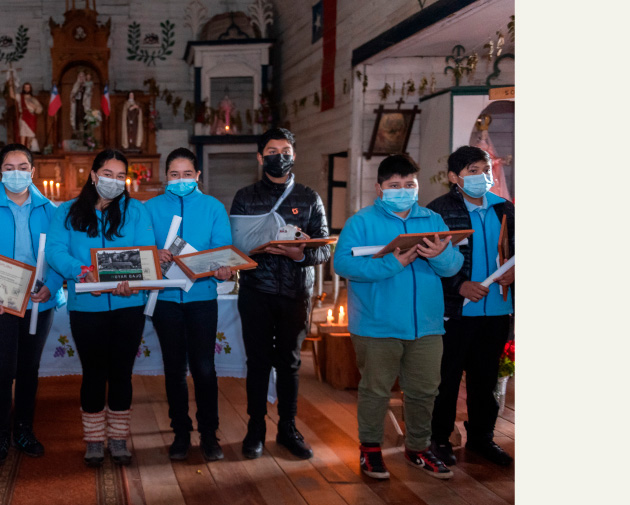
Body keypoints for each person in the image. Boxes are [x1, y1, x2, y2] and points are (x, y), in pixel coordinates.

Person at [330, 154, 463, 480]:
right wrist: (394, 264)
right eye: (394, 185)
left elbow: (454, 265)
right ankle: (370, 450)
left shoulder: (432, 219)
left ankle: (418, 447)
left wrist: (440, 254)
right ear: (380, 188)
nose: (403, 190)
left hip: (427, 323)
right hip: (378, 323)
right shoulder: (360, 222)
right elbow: (344, 265)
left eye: (409, 184)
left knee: (425, 390)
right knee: (376, 390)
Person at [46, 148, 156, 467]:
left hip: (128, 305)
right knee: (93, 374)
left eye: (121, 176)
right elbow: (55, 250)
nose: (113, 181)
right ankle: (94, 441)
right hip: (85, 306)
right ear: (93, 176)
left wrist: (131, 280)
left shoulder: (136, 212)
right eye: (107, 174)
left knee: (122, 373)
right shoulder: (66, 211)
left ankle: (119, 439)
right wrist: (82, 271)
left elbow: (145, 253)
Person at [229, 128, 332, 460]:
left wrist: (298, 254)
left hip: (295, 293)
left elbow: (323, 250)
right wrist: (254, 248)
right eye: (271, 151)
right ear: (260, 158)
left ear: (294, 155)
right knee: (257, 363)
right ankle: (255, 429)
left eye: (285, 149)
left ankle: (287, 428)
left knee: (289, 363)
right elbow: (235, 247)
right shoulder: (244, 197)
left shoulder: (309, 197)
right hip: (256, 290)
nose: (279, 155)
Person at [0, 143, 66, 466]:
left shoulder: (51, 210)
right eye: (9, 168)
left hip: (39, 301)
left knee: (28, 369)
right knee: (1, 370)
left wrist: (50, 287)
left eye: (23, 167)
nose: (16, 173)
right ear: (0, 172)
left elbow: (59, 255)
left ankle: (24, 430)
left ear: (33, 171)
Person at [426, 145, 516, 467]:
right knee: (446, 378)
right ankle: (439, 439)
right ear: (454, 177)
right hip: (455, 311)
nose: (483, 177)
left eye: (486, 170)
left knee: (485, 378)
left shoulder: (505, 208)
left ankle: (482, 438)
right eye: (473, 171)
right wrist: (459, 284)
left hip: (496, 309)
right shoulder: (438, 210)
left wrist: (514, 273)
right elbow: (428, 261)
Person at [145, 148, 233, 462]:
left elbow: (223, 250)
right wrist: (154, 254)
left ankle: (209, 434)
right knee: (174, 370)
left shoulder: (213, 207)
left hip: (202, 299)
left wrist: (224, 268)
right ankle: (180, 432)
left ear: (198, 176)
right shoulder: (150, 208)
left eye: (186, 174)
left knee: (205, 369)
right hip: (165, 301)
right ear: (164, 177)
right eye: (174, 174)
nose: (180, 180)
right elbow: (140, 250)